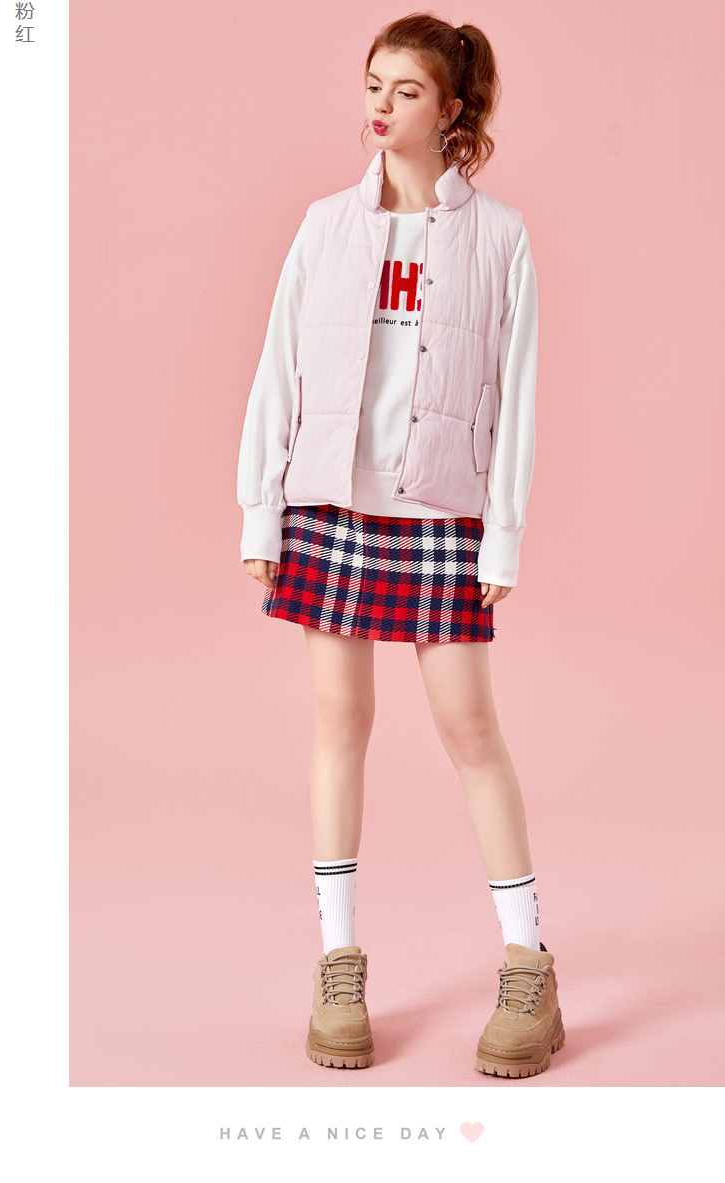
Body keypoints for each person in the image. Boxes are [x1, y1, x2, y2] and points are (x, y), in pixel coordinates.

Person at [236, 13, 564, 1078]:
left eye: (406, 91)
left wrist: (502, 536)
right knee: (341, 721)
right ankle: (339, 962)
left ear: (452, 109)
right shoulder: (326, 225)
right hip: (331, 507)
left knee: (471, 729)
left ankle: (528, 961)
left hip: (441, 513)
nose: (380, 106)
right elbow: (278, 365)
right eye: (372, 85)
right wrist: (260, 509)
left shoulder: (499, 236)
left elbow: (517, 397)